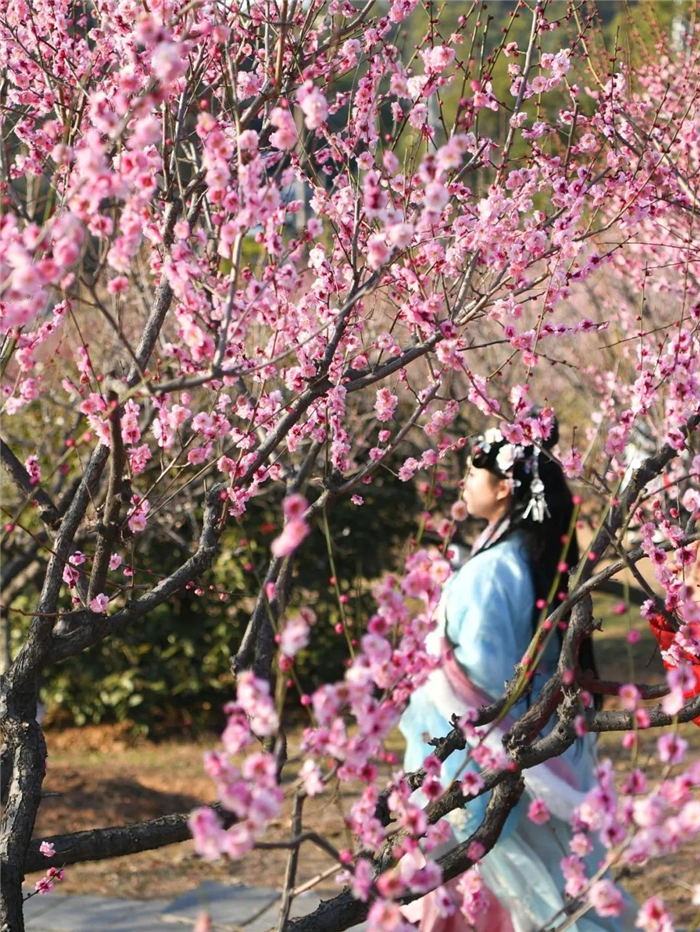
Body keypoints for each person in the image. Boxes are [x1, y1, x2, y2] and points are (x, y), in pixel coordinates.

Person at [399, 416, 636, 932]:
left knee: (484, 897)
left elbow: (483, 682)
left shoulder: (491, 571)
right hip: (530, 750)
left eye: (472, 472)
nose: (463, 480)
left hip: (474, 762)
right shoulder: (529, 563)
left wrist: (430, 670)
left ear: (505, 486)